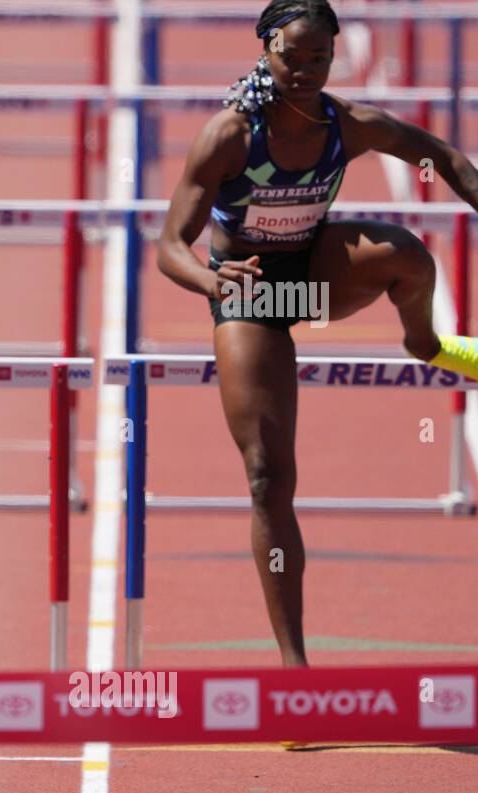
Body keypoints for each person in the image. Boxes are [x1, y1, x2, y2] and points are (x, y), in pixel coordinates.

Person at [157, 0, 478, 673]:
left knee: (407, 254)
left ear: (333, 59)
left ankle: (426, 344)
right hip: (250, 295)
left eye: (318, 58)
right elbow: (168, 247)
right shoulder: (228, 136)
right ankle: (294, 671)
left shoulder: (349, 125)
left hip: (317, 275)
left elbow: (441, 154)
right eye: (291, 56)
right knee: (267, 476)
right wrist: (214, 284)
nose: (304, 70)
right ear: (264, 50)